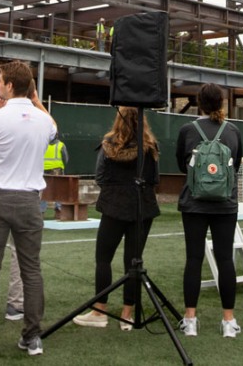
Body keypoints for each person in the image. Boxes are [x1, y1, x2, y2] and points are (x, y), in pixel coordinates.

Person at [0, 61, 57, 359]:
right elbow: (53, 130)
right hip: (30, 200)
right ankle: (32, 337)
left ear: (9, 85)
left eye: (0, 80)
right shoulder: (44, 120)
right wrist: (34, 101)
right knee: (31, 269)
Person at [73, 107, 160, 331]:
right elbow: (154, 179)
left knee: (103, 258)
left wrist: (115, 192)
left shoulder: (108, 144)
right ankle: (127, 315)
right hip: (143, 206)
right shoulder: (150, 145)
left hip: (114, 205)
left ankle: (99, 311)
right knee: (133, 261)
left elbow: (100, 176)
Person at [176, 83, 243, 339]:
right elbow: (234, 166)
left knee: (193, 259)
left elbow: (182, 166)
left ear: (199, 102)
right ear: (222, 103)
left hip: (194, 202)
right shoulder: (233, 131)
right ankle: (228, 320)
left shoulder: (187, 130)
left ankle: (190, 319)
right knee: (225, 259)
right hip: (225, 204)